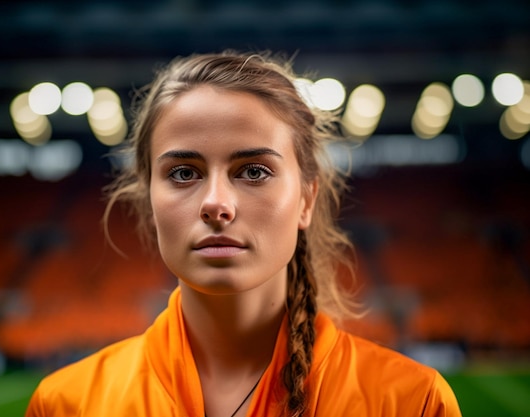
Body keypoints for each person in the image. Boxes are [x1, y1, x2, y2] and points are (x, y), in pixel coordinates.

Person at [24, 50, 462, 417]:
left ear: (306, 199)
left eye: (253, 171)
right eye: (182, 172)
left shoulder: (410, 401)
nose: (216, 203)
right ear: (149, 200)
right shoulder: (66, 405)